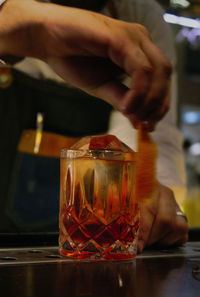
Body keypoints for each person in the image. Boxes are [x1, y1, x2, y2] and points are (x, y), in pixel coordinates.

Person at [0, 0, 188, 251]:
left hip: (86, 246)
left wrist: (150, 194)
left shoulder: (140, 13)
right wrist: (24, 25)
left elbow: (150, 136)